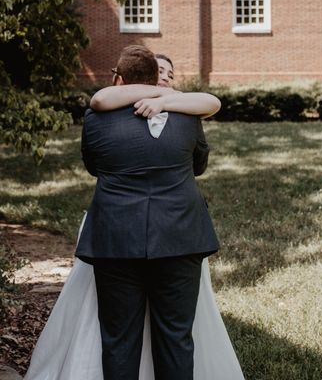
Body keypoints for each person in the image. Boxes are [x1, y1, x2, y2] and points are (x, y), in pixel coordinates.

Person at [24, 46, 243, 380]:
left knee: (118, 340)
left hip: (115, 238)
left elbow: (93, 166)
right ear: (156, 78)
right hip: (180, 237)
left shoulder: (96, 119)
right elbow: (199, 165)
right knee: (176, 337)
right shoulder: (187, 116)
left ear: (121, 78)